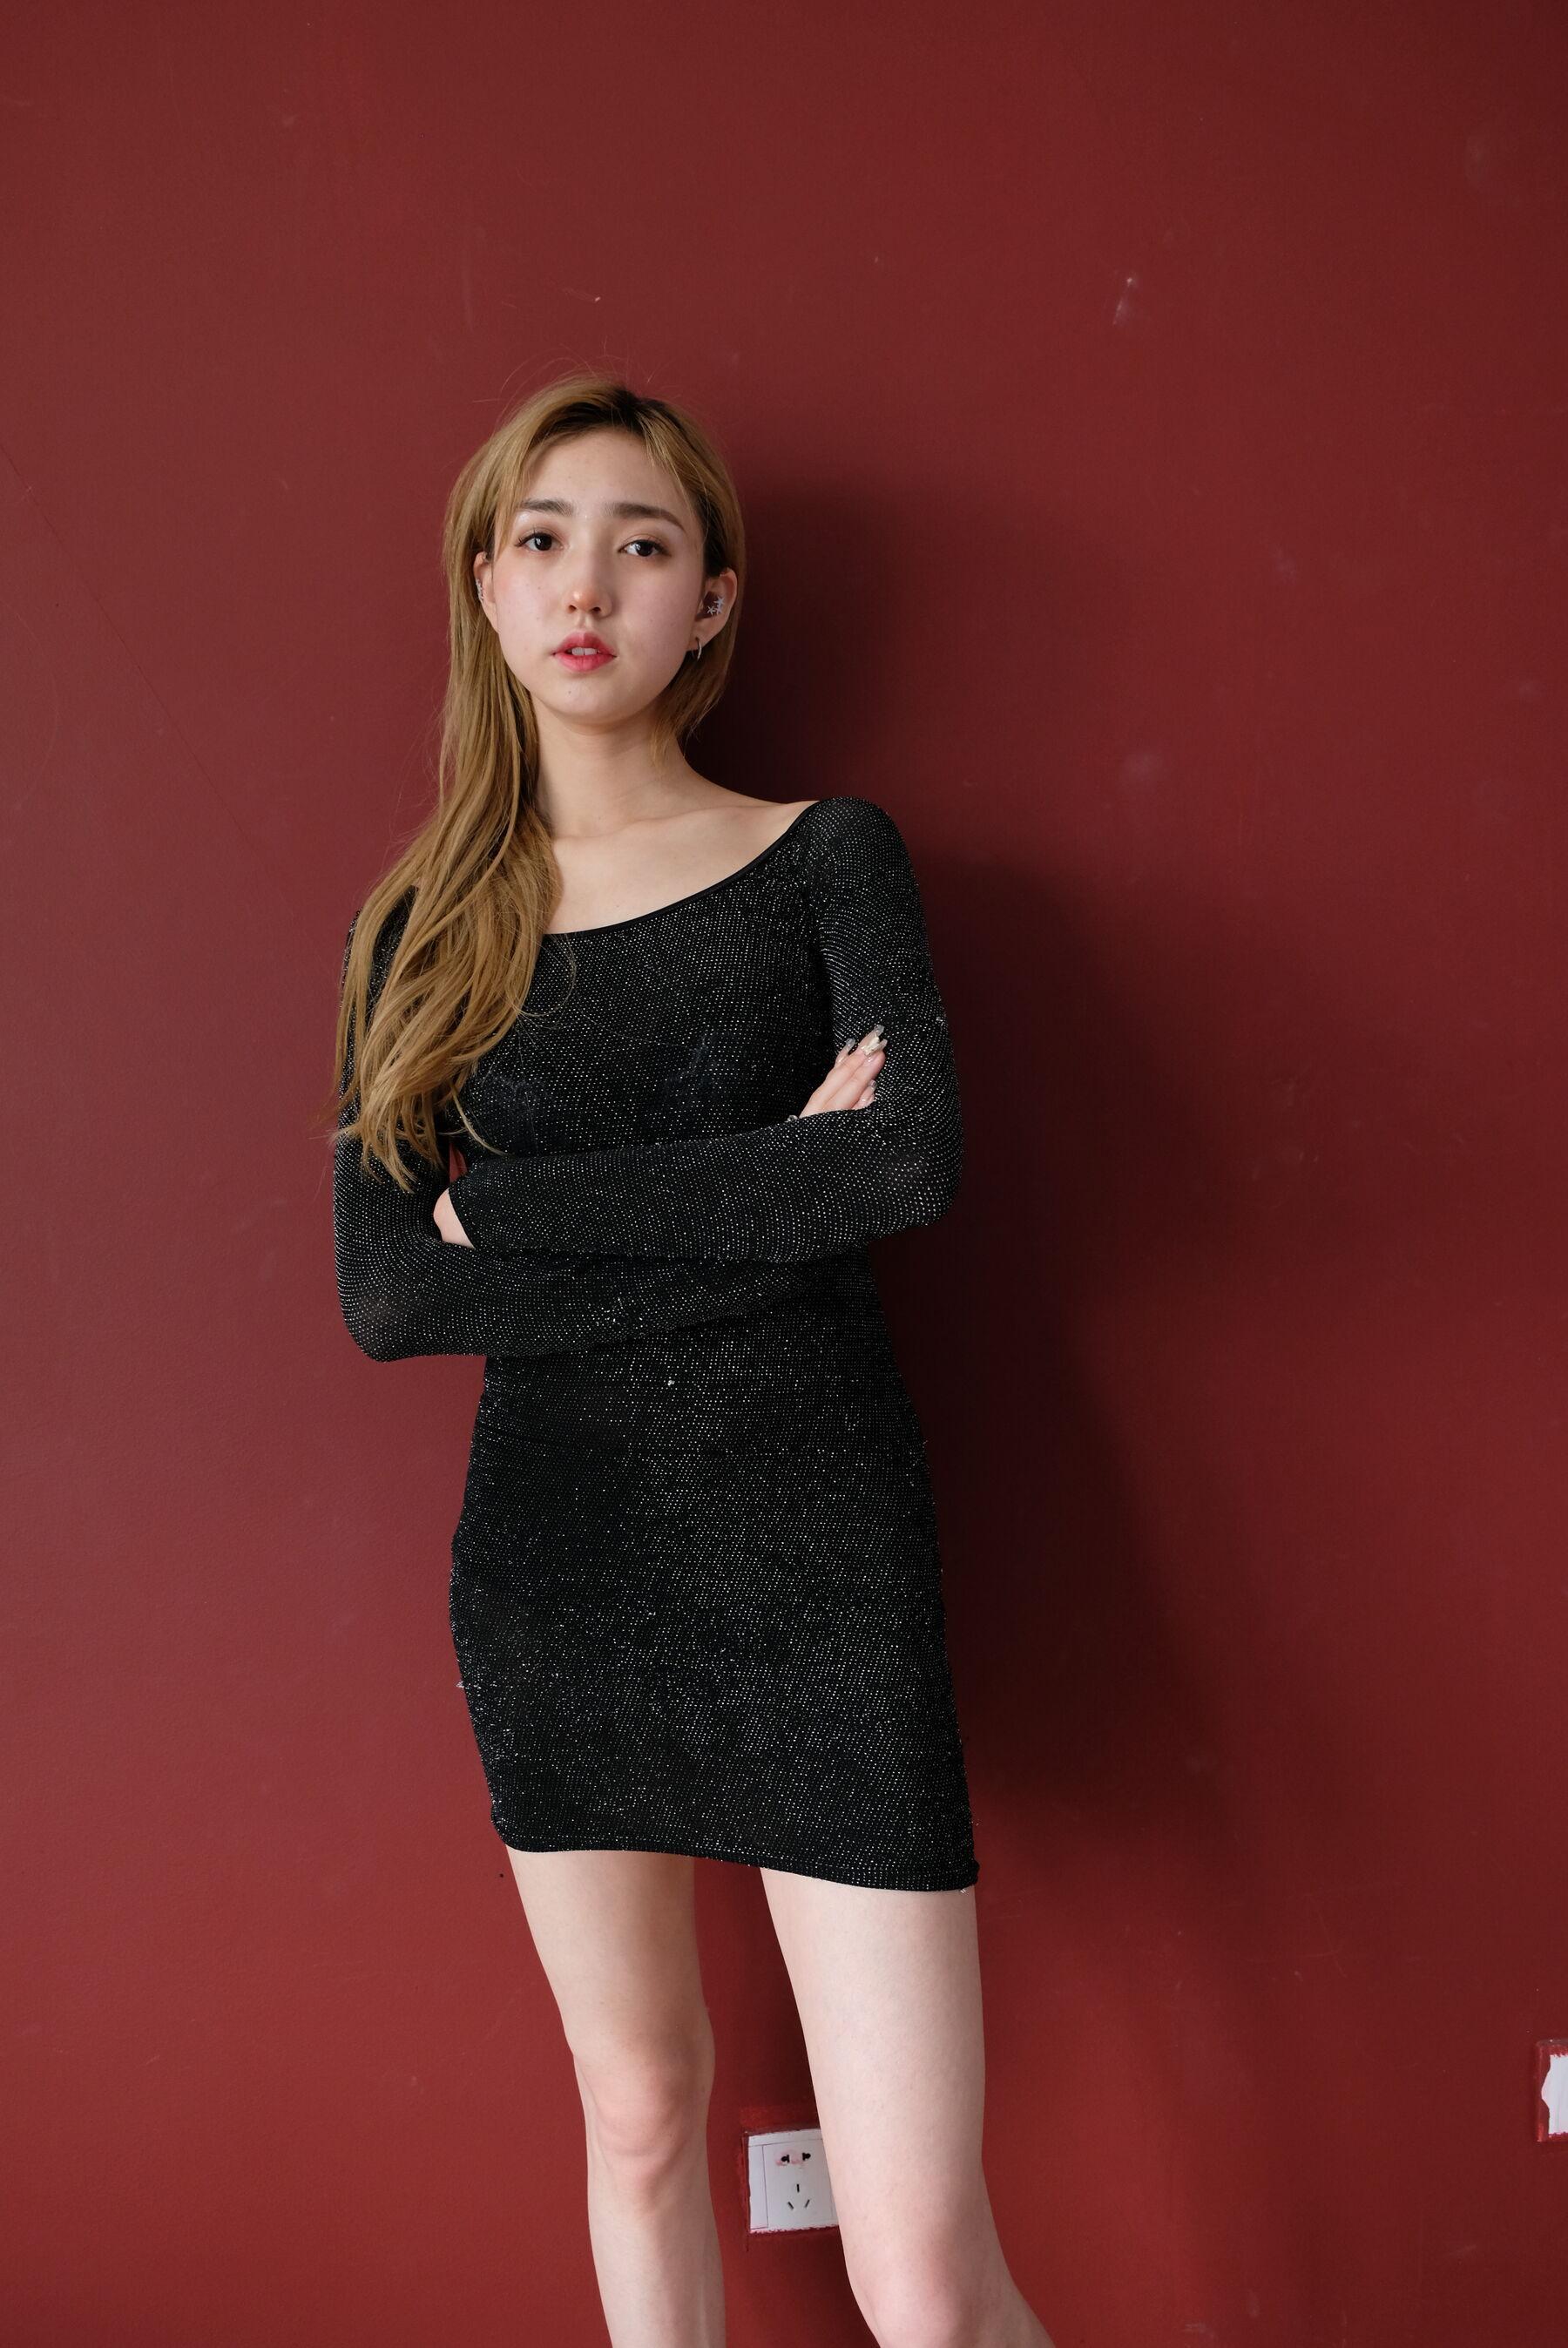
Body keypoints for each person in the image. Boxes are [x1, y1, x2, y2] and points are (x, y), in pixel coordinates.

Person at [328, 372, 1055, 2348]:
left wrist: (515, 1212)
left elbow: (900, 1165)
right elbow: (392, 1300)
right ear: (488, 590)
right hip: (561, 1570)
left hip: (819, 1555)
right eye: (544, 541)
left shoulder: (829, 858)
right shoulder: (418, 932)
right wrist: (768, 1194)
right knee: (642, 2115)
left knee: (924, 2270)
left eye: (643, 545)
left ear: (711, 600)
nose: (590, 586)